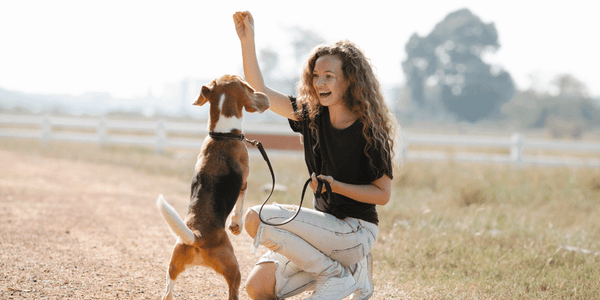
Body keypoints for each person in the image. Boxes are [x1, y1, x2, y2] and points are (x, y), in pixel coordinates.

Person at [233, 11, 398, 300]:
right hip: (321, 233)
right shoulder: (310, 116)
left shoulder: (370, 130)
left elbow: (382, 195)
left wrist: (336, 186)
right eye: (316, 76)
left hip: (355, 232)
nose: (320, 83)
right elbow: (259, 91)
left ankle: (336, 274)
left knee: (254, 217)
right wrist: (248, 41)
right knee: (257, 288)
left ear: (349, 81)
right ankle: (343, 273)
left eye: (329, 77)